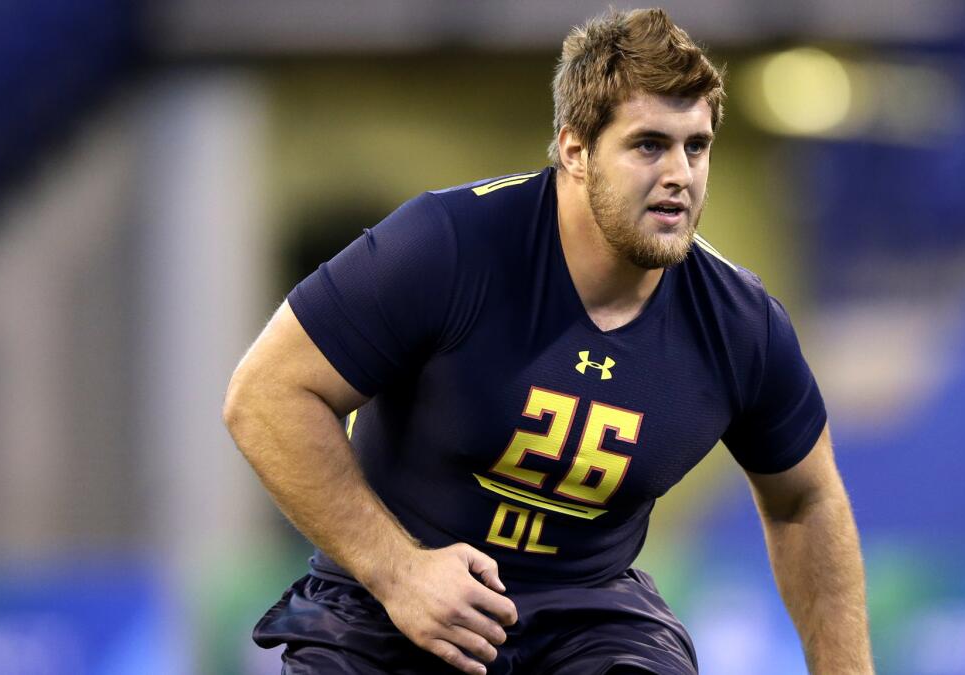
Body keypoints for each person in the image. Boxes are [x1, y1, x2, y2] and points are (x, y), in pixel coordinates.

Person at [224, 7, 873, 674]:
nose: (681, 172)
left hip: (585, 615)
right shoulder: (447, 244)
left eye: (697, 145)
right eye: (649, 144)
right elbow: (266, 393)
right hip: (385, 605)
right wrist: (398, 570)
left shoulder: (742, 324)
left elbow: (806, 498)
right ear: (573, 149)